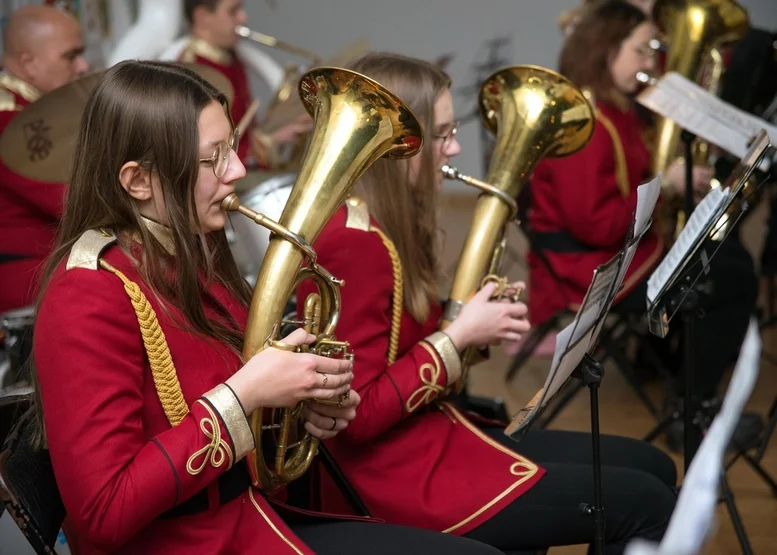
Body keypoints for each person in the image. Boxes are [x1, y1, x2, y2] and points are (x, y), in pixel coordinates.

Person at [29, 60, 505, 555]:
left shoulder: (187, 250)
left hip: (253, 521)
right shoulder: (88, 292)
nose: (238, 170)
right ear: (139, 181)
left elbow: (234, 418)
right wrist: (247, 394)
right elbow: (103, 512)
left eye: (233, 147)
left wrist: (303, 403)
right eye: (214, 159)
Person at [296, 51, 678, 555]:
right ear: (397, 146)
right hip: (396, 477)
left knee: (654, 468)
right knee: (646, 500)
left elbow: (412, 354)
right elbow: (359, 415)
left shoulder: (389, 226)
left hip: (434, 437)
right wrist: (458, 338)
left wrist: (473, 325)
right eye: (443, 135)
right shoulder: (356, 241)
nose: (454, 149)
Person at [528, 0, 760, 451]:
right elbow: (595, 227)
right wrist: (666, 186)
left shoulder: (619, 110)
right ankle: (689, 411)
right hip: (592, 269)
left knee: (727, 263)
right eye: (641, 50)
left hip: (621, 253)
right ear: (605, 51)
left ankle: (686, 392)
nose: (651, 62)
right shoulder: (590, 123)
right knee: (729, 280)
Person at [0, 5, 89, 314]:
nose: (83, 66)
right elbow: (76, 202)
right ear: (28, 61)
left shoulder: (34, 112)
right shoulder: (10, 123)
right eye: (70, 55)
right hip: (30, 283)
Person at [180, 0, 312, 167]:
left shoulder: (229, 57)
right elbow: (206, 156)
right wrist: (269, 143)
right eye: (233, 11)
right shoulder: (193, 70)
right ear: (202, 17)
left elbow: (242, 131)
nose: (243, 18)